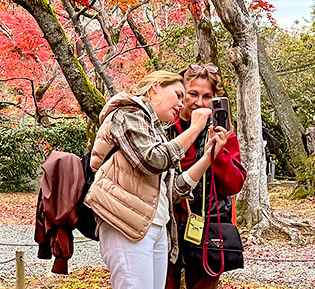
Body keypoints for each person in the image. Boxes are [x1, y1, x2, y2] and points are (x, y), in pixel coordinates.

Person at [84, 71, 225, 289]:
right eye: (178, 95)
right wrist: (196, 129)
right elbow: (153, 160)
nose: (181, 104)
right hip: (127, 224)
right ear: (155, 88)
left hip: (156, 225)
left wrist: (209, 156)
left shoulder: (155, 131)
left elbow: (174, 191)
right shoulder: (128, 113)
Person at [166, 63, 247, 289]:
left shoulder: (222, 132)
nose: (199, 102)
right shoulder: (165, 127)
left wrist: (218, 152)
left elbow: (234, 184)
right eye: (193, 94)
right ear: (181, 93)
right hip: (167, 224)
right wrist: (192, 131)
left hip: (209, 224)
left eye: (206, 96)